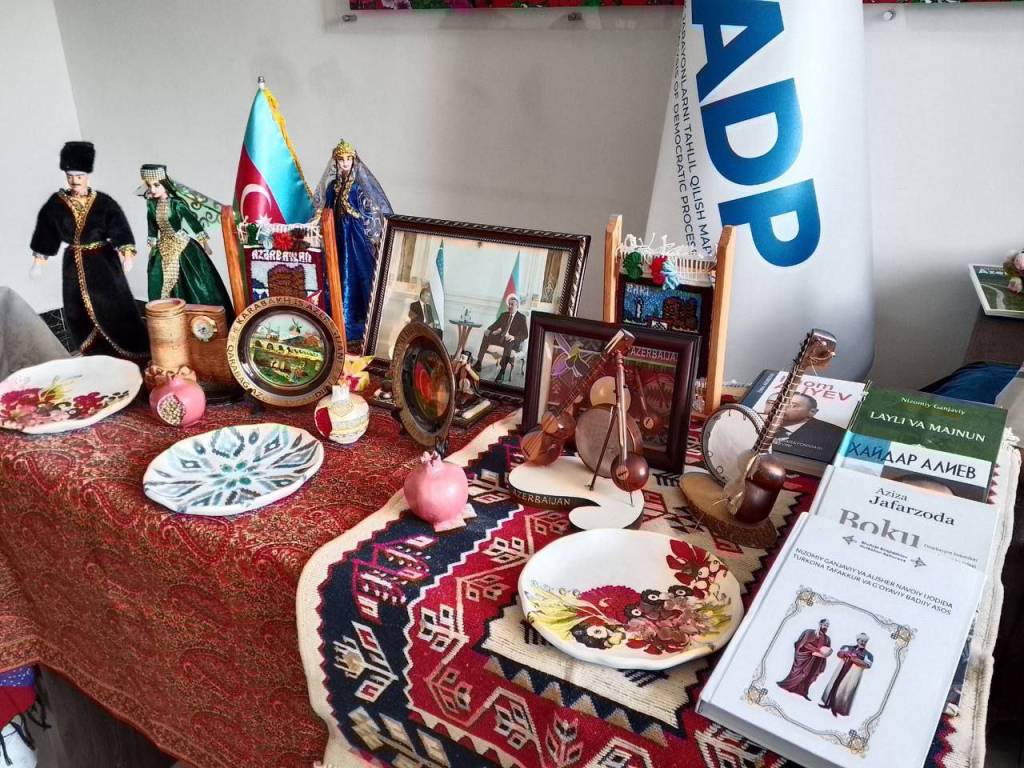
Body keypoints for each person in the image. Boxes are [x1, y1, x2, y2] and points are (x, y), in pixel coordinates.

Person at [29, 142, 149, 361]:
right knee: (77, 309)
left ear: (88, 176)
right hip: (74, 264)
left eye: (80, 176)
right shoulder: (56, 204)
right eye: (70, 176)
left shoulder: (103, 202)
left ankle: (133, 352)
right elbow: (46, 233)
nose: (75, 181)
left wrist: (127, 254)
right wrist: (38, 262)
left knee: (115, 304)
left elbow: (119, 227)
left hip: (104, 262)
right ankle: (95, 353)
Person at [312, 139, 393, 343]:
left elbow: (371, 211)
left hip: (354, 238)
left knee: (356, 274)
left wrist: (366, 229)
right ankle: (334, 321)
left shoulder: (358, 188)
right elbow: (324, 210)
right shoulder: (332, 187)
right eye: (341, 160)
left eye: (349, 159)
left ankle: (357, 324)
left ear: (354, 161)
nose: (345, 163)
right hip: (336, 235)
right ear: (336, 162)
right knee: (334, 274)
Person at [139, 164, 233, 320]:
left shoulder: (177, 204)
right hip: (163, 247)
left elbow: (192, 221)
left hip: (182, 245)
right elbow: (152, 228)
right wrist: (152, 247)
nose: (153, 189)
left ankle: (199, 320)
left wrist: (204, 242)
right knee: (159, 279)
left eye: (156, 185)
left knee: (193, 282)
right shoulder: (151, 205)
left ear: (165, 183)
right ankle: (167, 320)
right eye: (149, 186)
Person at [474, 294, 528, 381]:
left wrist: (514, 337)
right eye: (509, 304)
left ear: (517, 306)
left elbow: (525, 334)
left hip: (512, 342)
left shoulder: (521, 317)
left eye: (512, 304)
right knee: (486, 335)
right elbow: (495, 325)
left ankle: (502, 371)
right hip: (501, 339)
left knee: (509, 341)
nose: (510, 306)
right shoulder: (504, 315)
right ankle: (479, 362)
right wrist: (489, 329)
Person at [776, 619, 832, 699]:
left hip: (817, 660)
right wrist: (817, 650)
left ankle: (804, 692)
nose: (826, 627)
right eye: (825, 625)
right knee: (802, 674)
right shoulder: (810, 633)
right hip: (806, 658)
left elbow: (826, 649)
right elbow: (803, 644)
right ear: (820, 624)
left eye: (827, 626)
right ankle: (789, 686)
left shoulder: (827, 638)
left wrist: (825, 653)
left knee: (811, 675)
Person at [820, 633, 873, 716]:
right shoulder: (848, 647)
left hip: (852, 674)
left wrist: (854, 659)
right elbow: (839, 654)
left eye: (865, 641)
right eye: (861, 641)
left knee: (843, 691)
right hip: (841, 670)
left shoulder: (867, 654)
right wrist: (845, 654)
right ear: (858, 640)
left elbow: (867, 665)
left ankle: (835, 709)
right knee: (834, 686)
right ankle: (828, 704)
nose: (863, 643)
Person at [775, 393, 844, 448]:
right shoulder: (770, 421)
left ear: (812, 412)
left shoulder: (836, 434)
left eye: (794, 406)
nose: (783, 408)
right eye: (782, 404)